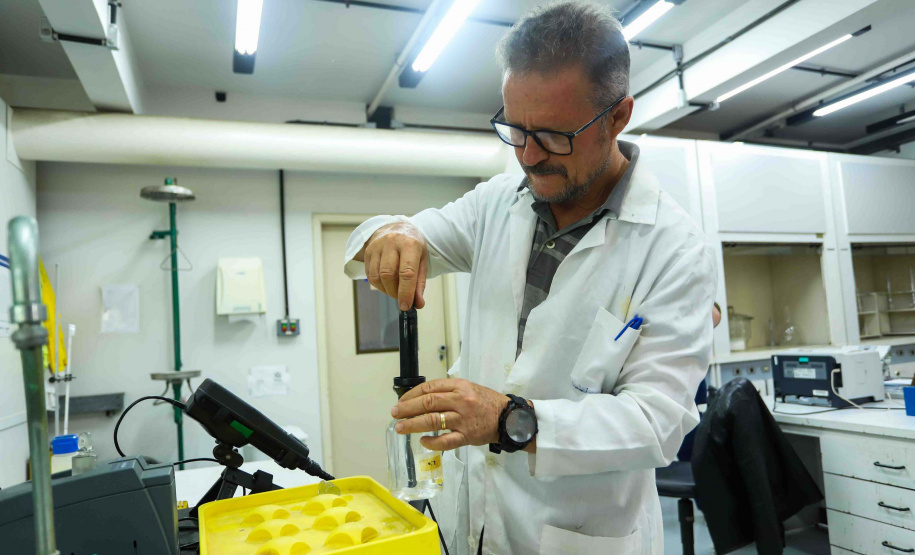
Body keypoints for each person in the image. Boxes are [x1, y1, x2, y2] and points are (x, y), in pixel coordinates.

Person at [343, 3, 717, 553]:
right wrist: (390, 234)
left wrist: (512, 420)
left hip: (579, 534)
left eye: (553, 136)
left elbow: (657, 421)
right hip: (469, 520)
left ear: (618, 116)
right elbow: (413, 234)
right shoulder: (500, 200)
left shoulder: (674, 249)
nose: (527, 155)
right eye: (514, 129)